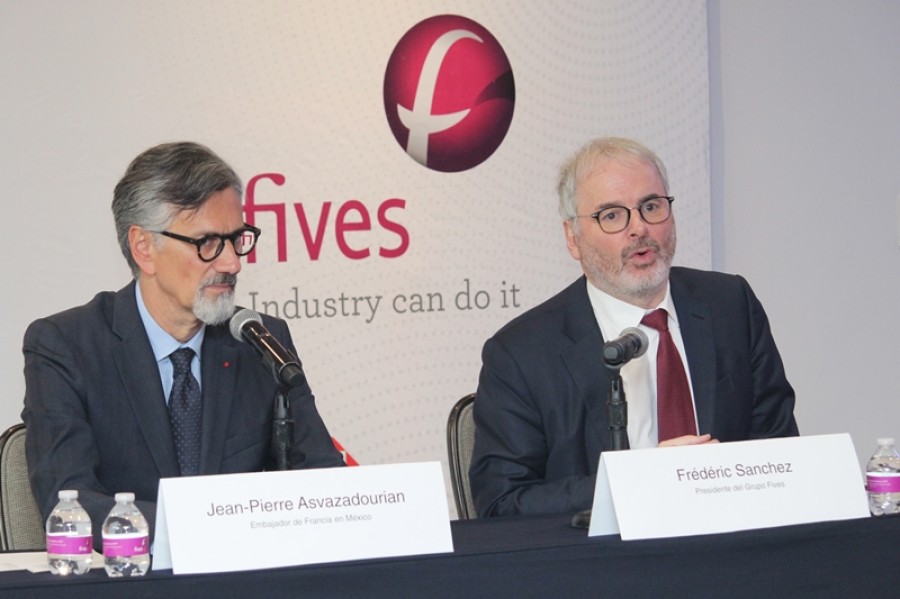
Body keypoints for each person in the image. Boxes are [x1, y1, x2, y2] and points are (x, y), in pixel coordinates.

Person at [22, 142, 345, 546]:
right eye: (208, 242)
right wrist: (212, 528)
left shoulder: (261, 342)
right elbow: (68, 503)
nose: (232, 263)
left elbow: (323, 477)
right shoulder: (66, 347)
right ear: (144, 248)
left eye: (237, 239)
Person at [469, 137, 798, 518]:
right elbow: (502, 504)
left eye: (651, 206)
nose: (639, 228)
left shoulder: (730, 305)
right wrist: (638, 480)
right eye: (611, 215)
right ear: (573, 238)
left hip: (731, 545)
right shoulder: (521, 353)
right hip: (604, 568)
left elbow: (781, 449)